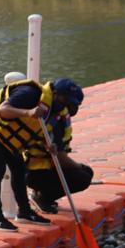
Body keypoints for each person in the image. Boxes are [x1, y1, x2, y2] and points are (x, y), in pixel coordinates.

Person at [0, 77, 85, 231]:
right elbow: (2, 110)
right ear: (55, 93)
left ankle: (25, 212)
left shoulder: (52, 110)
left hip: (8, 137)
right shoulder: (30, 93)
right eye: (65, 101)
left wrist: (48, 146)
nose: (66, 106)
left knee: (19, 170)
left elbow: (36, 131)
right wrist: (28, 112)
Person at [24, 79, 93, 213]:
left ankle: (42, 193)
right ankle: (42, 197)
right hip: (33, 170)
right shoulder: (50, 119)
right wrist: (78, 166)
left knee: (86, 172)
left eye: (75, 104)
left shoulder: (58, 115)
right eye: (68, 101)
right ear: (55, 95)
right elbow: (60, 158)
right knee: (83, 177)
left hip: (45, 166)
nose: (72, 107)